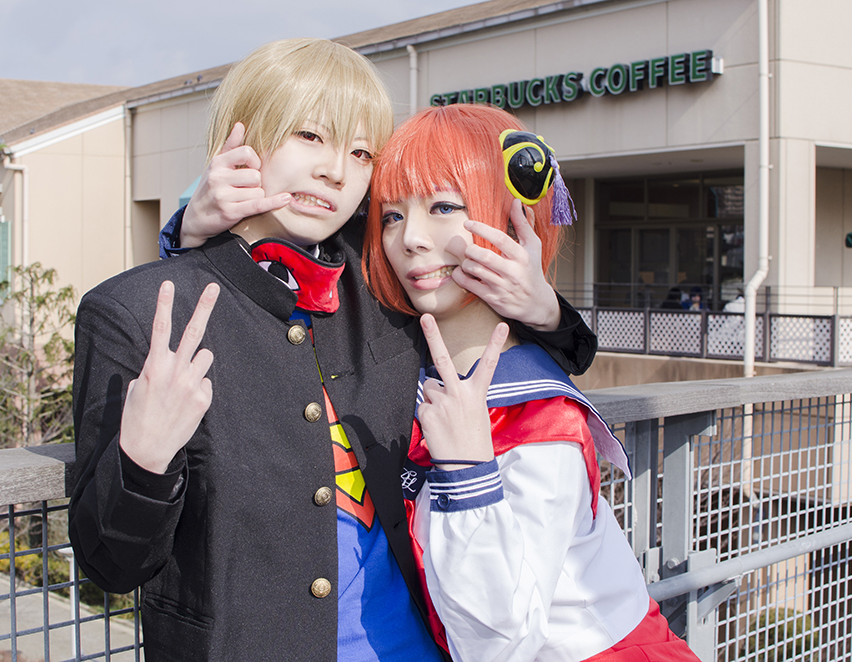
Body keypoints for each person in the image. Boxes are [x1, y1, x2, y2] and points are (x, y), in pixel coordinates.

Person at [69, 39, 597, 661]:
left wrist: (543, 307)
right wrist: (143, 459)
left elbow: (530, 340)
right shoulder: (134, 312)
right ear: (242, 136)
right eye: (310, 136)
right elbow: (111, 566)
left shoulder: (379, 282)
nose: (336, 171)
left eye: (361, 152)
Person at [362, 103, 700, 661]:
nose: (410, 238)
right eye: (393, 215)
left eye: (444, 207)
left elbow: (500, 644)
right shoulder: (416, 358)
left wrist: (467, 473)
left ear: (513, 223)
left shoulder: (536, 419)